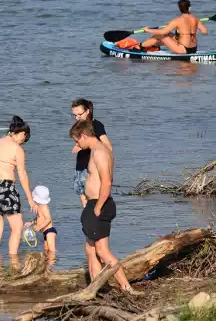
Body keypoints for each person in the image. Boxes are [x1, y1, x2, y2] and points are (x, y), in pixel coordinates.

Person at [69, 121, 143, 295]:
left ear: (84, 135)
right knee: (90, 248)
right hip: (95, 204)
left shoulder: (100, 152)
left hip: (99, 204)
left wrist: (98, 207)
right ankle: (95, 287)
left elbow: (107, 182)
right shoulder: (99, 149)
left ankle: (126, 288)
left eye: (77, 140)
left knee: (102, 251)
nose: (76, 144)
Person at [0, 116, 37, 258]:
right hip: (6, 187)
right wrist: (30, 199)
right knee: (17, 227)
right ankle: (13, 262)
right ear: (22, 133)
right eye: (24, 140)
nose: (22, 142)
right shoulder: (16, 148)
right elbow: (22, 174)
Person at [71, 99, 112, 208]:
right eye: (74, 115)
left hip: (91, 169)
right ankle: (86, 222)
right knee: (83, 200)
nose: (77, 118)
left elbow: (108, 146)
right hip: (80, 167)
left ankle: (93, 218)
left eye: (79, 114)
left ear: (88, 111)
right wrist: (80, 146)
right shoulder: (79, 126)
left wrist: (88, 148)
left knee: (92, 201)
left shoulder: (95, 125)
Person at [137, 0, 207, 54]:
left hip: (183, 49)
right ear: (189, 8)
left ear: (179, 9)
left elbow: (162, 32)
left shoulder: (177, 20)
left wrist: (147, 30)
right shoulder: (195, 18)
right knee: (169, 34)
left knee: (161, 35)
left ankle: (140, 46)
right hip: (194, 48)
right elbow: (204, 31)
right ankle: (154, 46)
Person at [25, 185, 56, 253]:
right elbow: (38, 218)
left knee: (52, 251)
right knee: (45, 250)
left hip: (50, 231)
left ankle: (53, 262)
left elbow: (48, 219)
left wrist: (39, 227)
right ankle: (47, 263)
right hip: (45, 232)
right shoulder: (38, 206)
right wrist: (32, 222)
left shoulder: (44, 207)